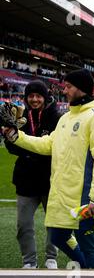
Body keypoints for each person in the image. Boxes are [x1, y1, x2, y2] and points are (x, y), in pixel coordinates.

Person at [2, 69, 94, 269]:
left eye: (69, 86)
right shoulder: (66, 118)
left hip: (85, 196)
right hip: (63, 193)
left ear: (80, 88)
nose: (65, 90)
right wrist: (15, 136)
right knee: (58, 235)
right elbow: (48, 144)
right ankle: (87, 269)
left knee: (87, 243)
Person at [5, 80, 60, 268]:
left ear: (45, 97)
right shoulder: (18, 117)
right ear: (26, 98)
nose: (34, 99)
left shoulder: (56, 117)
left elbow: (55, 148)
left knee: (53, 223)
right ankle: (29, 261)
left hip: (49, 178)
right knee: (23, 225)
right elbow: (12, 149)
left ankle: (51, 258)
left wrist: (29, 149)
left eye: (38, 96)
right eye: (31, 96)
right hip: (25, 179)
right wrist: (8, 131)